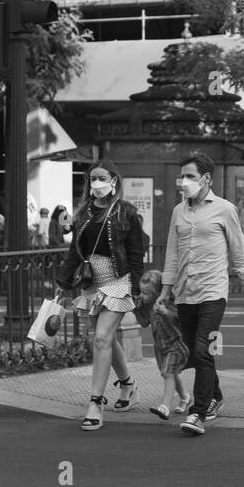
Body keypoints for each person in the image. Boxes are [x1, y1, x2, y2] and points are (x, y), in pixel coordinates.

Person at [157, 152, 244, 437]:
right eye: (183, 176)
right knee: (194, 353)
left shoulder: (225, 209)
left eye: (190, 176)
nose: (184, 181)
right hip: (184, 293)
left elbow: (239, 250)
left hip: (213, 292)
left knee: (204, 349)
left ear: (206, 178)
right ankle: (214, 394)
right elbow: (172, 253)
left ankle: (198, 412)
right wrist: (165, 290)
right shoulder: (178, 211)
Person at [56, 160, 147, 430]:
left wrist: (138, 286)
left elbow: (135, 252)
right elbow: (75, 251)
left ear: (113, 181)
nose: (96, 183)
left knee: (100, 338)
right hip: (92, 281)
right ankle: (129, 384)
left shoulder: (126, 212)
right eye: (92, 178)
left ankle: (95, 402)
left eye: (101, 178)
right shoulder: (83, 212)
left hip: (118, 278)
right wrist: (63, 282)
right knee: (104, 339)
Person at [135, 270, 191, 421]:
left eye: (145, 293)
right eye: (141, 292)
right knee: (171, 373)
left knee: (168, 373)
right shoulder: (147, 306)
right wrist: (137, 309)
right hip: (161, 348)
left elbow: (179, 319)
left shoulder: (168, 302)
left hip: (176, 345)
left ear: (157, 292)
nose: (142, 296)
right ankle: (185, 397)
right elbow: (144, 323)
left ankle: (165, 407)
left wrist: (165, 312)